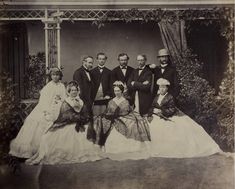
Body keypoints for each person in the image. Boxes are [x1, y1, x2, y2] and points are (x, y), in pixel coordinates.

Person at [26, 81, 104, 165]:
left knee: (88, 134)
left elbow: (85, 112)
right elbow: (65, 114)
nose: (74, 92)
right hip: (67, 123)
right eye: (72, 90)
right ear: (69, 91)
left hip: (78, 123)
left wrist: (83, 118)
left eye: (75, 90)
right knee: (48, 138)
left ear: (78, 91)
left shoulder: (80, 101)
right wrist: (76, 118)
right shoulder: (66, 102)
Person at [147, 78, 222, 158]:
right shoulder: (157, 97)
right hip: (156, 116)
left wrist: (162, 111)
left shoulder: (170, 97)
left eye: (163, 87)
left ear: (167, 88)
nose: (162, 89)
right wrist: (152, 111)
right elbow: (152, 106)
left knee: (173, 128)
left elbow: (172, 109)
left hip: (167, 115)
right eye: (160, 87)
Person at [9, 68, 66, 159]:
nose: (55, 77)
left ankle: (53, 150)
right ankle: (34, 150)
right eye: (53, 75)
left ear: (60, 76)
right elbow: (43, 101)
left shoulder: (62, 86)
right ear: (51, 76)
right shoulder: (48, 86)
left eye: (57, 75)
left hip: (58, 107)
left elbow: (64, 98)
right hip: (47, 108)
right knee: (38, 124)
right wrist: (47, 111)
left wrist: (59, 102)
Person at [94, 81, 151, 161]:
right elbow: (108, 111)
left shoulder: (126, 101)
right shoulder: (111, 101)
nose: (116, 92)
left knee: (132, 124)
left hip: (123, 118)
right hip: (112, 119)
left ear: (121, 91)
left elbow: (127, 111)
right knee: (102, 124)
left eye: (118, 91)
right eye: (115, 91)